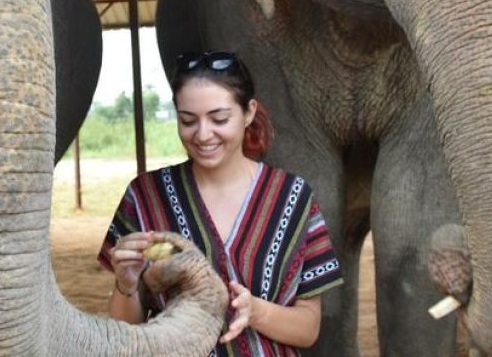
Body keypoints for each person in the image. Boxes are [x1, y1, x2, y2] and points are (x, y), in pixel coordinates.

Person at [99, 50, 343, 356]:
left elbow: (308, 329)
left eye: (219, 119)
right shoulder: (145, 195)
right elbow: (126, 332)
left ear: (249, 112)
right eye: (188, 120)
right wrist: (126, 284)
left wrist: (256, 312)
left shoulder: (293, 197)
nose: (202, 134)